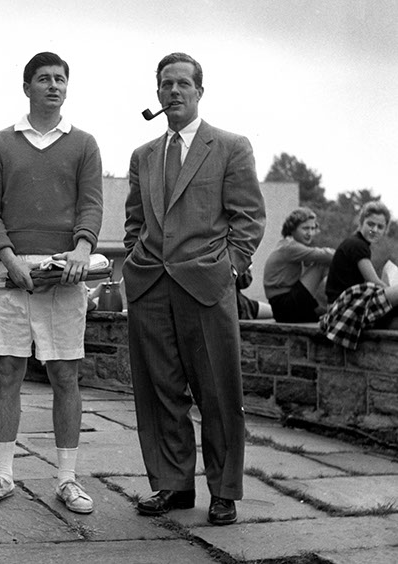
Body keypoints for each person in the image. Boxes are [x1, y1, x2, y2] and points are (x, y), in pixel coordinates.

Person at [123, 52, 265, 526]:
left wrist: (229, 268)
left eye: (185, 83)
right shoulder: (143, 155)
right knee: (159, 390)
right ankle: (173, 484)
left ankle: (223, 491)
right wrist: (137, 264)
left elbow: (248, 219)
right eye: (167, 84)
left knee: (218, 393)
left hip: (206, 286)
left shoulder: (230, 146)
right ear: (158, 92)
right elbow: (134, 222)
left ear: (200, 92)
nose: (175, 91)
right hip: (150, 287)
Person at [0, 52, 103, 515]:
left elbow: (90, 205)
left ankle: (67, 479)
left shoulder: (84, 144)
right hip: (11, 272)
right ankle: (3, 475)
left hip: (64, 270)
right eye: (44, 79)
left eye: (60, 79)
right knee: (7, 371)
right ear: (27, 87)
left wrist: (82, 252)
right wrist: (8, 259)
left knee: (64, 375)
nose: (53, 86)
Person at [320, 201, 398, 348]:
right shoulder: (357, 245)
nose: (374, 230)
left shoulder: (356, 243)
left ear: (385, 230)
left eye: (380, 227)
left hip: (345, 304)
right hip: (344, 307)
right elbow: (374, 281)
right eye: (370, 224)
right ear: (361, 222)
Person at [263, 208, 334, 322]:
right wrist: (345, 253)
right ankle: (336, 304)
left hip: (281, 305)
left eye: (312, 228)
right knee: (322, 264)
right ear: (292, 229)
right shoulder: (291, 247)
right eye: (305, 228)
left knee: (321, 313)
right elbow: (328, 256)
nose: (309, 233)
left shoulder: (287, 244)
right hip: (285, 305)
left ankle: (331, 306)